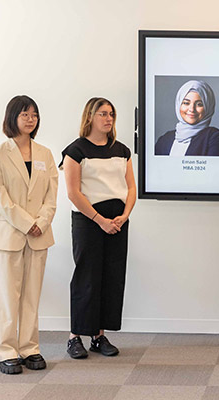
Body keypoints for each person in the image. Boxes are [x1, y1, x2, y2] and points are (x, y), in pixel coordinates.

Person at [0, 95, 58, 374]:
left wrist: (42, 221)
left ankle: (29, 348)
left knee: (31, 295)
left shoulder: (45, 154)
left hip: (39, 235)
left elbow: (52, 196)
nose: (30, 119)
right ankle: (5, 351)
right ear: (12, 117)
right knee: (5, 295)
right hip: (7, 235)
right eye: (25, 114)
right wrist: (28, 223)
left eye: (34, 115)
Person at [60, 97, 136, 359]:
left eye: (112, 114)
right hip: (89, 221)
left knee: (111, 278)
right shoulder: (75, 150)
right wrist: (100, 220)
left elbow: (131, 188)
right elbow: (73, 193)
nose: (108, 118)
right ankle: (75, 336)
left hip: (117, 222)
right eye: (103, 113)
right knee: (87, 277)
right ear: (90, 117)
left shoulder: (122, 150)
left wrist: (124, 216)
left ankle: (99, 336)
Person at [155, 80, 219, 156]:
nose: (191, 109)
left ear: (208, 107)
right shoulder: (164, 139)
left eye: (199, 104)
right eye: (186, 103)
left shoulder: (216, 138)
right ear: (179, 105)